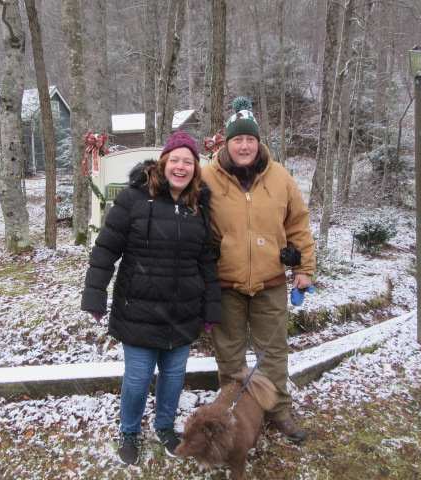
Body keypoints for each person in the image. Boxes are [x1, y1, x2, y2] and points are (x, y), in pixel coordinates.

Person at [81, 131, 222, 465]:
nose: (181, 167)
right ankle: (129, 431)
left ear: (195, 169)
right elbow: (106, 249)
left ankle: (165, 427)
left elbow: (206, 261)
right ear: (163, 163)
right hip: (138, 307)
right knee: (138, 377)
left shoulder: (199, 206)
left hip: (182, 308)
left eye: (188, 162)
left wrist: (211, 307)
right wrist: (95, 295)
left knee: (173, 377)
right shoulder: (133, 199)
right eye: (175, 160)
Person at [201, 97, 316, 444]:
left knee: (274, 352)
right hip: (225, 283)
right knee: (230, 355)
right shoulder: (207, 177)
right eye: (237, 139)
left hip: (270, 281)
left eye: (250, 139)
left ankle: (278, 410)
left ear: (258, 142)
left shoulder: (279, 177)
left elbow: (298, 223)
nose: (244, 146)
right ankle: (234, 413)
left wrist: (304, 267)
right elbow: (190, 221)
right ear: (226, 143)